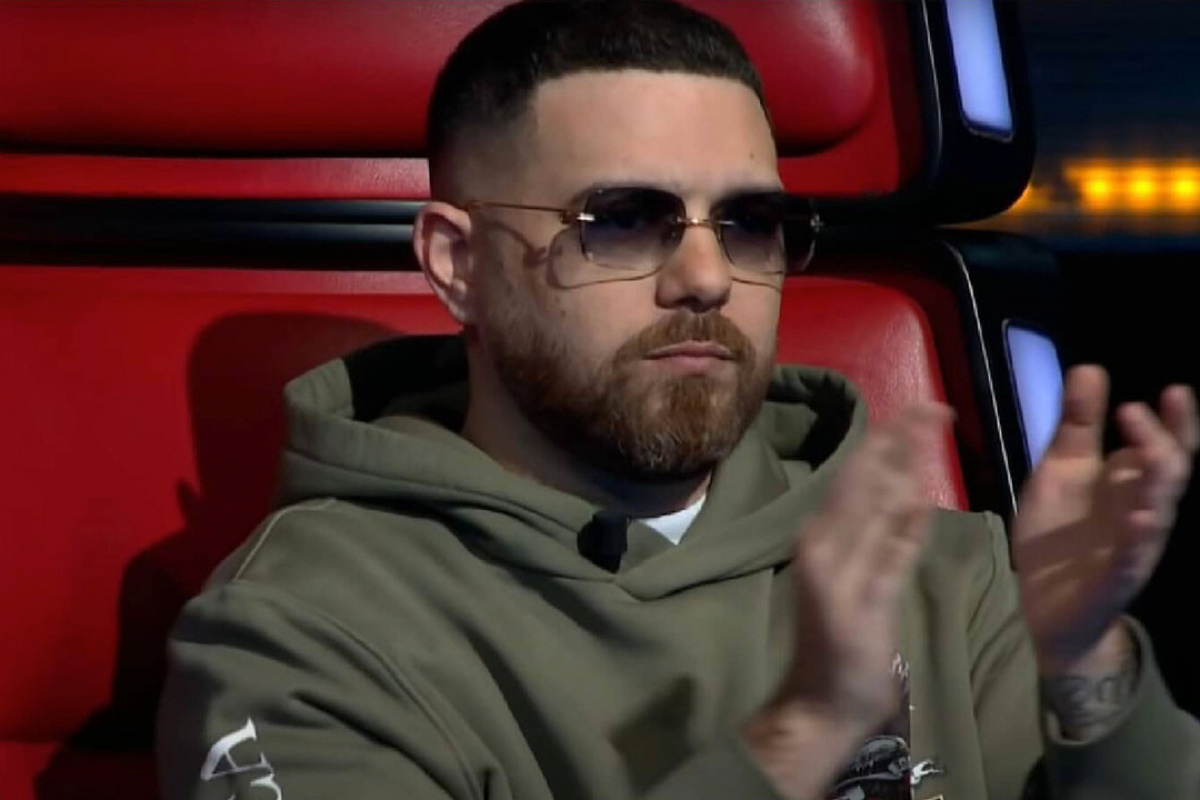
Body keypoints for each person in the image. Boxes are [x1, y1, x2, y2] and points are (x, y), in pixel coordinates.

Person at [156, 2, 1200, 799]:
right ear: (457, 264)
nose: (706, 277)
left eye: (747, 224)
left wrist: (1088, 668)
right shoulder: (300, 633)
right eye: (621, 221)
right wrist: (797, 737)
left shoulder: (947, 568)